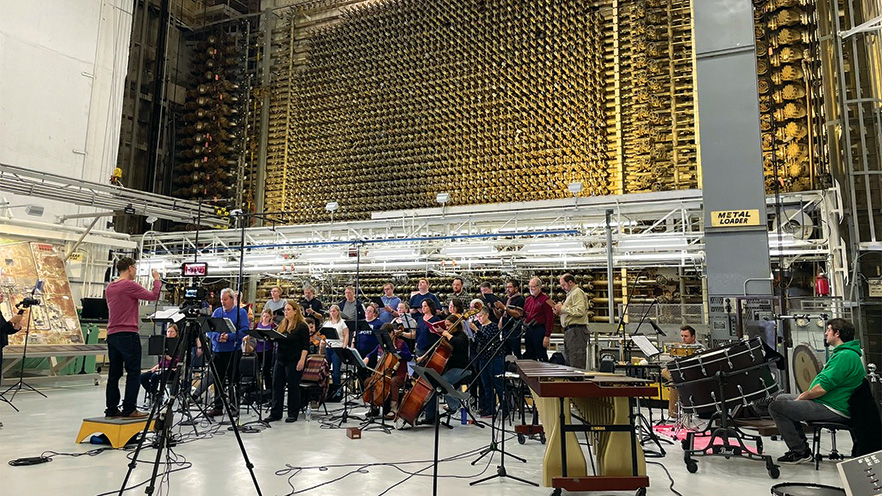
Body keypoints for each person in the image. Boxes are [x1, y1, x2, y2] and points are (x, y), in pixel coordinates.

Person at [769, 318, 865, 464]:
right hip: (827, 401)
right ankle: (800, 447)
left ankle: (799, 452)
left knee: (776, 407)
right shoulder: (844, 354)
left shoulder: (845, 356)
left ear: (837, 333)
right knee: (782, 399)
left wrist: (802, 397)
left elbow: (821, 388)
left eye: (828, 330)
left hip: (833, 407)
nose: (826, 333)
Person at [104, 257, 161, 418]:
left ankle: (111, 408)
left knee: (114, 374)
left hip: (112, 334)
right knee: (134, 372)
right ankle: (129, 409)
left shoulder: (110, 287)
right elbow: (153, 296)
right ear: (129, 268)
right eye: (135, 268)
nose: (136, 272)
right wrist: (157, 280)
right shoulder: (128, 285)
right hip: (128, 334)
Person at [206, 287, 250, 417]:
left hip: (232, 350)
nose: (223, 302)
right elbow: (208, 329)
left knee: (233, 379)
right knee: (217, 379)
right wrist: (215, 337)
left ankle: (233, 405)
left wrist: (230, 337)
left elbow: (245, 330)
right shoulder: (217, 312)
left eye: (225, 299)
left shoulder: (240, 313)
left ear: (232, 299)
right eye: (221, 300)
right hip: (217, 350)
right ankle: (218, 406)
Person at [421, 314, 471, 425]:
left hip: (462, 368)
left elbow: (459, 344)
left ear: (456, 325)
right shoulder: (450, 335)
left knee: (442, 382)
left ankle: (454, 404)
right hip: (451, 367)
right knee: (433, 382)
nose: (447, 328)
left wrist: (447, 334)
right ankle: (431, 415)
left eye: (449, 326)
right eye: (446, 326)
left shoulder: (461, 336)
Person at [268, 301, 309, 423]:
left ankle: (292, 413)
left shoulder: (302, 326)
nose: (285, 312)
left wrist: (302, 360)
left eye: (288, 310)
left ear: (295, 311)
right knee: (277, 386)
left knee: (293, 387)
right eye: (285, 310)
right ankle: (275, 413)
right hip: (280, 359)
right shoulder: (282, 325)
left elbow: (305, 346)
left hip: (294, 360)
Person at [362, 323, 412, 419]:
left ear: (392, 333)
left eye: (386, 335)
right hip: (383, 373)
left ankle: (394, 409)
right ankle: (374, 407)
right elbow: (371, 353)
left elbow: (409, 357)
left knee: (393, 382)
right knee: (368, 381)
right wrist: (366, 358)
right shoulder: (382, 345)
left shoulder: (401, 343)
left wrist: (397, 351)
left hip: (399, 374)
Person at [661, 325, 704, 417]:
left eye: (686, 336)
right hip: (681, 372)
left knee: (674, 384)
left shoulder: (700, 348)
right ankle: (674, 379)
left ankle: (673, 413)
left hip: (693, 374)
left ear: (693, 337)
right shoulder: (680, 347)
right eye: (682, 336)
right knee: (664, 371)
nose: (683, 339)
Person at [471, 306, 504, 416]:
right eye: (477, 316)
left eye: (480, 316)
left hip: (493, 358)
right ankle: (489, 408)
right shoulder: (481, 327)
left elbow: (487, 340)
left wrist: (476, 330)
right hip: (483, 358)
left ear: (486, 315)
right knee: (486, 385)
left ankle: (505, 409)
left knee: (498, 384)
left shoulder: (492, 326)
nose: (478, 318)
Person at [553, 273, 590, 369]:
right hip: (570, 331)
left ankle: (577, 382)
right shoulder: (570, 295)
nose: (562, 288)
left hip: (576, 331)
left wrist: (563, 308)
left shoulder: (577, 293)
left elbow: (580, 311)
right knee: (570, 360)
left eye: (564, 285)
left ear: (570, 282)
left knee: (576, 360)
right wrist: (559, 312)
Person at [139, 324, 180, 398]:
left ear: (176, 333)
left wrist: (169, 358)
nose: (169, 333)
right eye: (168, 331)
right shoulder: (164, 343)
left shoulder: (179, 344)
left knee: (155, 377)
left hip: (172, 370)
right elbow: (161, 362)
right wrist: (157, 366)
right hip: (162, 369)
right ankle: (154, 393)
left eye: (171, 332)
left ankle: (155, 395)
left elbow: (179, 360)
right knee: (142, 377)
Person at [244, 308, 276, 394]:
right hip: (258, 349)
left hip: (268, 349)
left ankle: (268, 389)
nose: (265, 318)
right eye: (264, 316)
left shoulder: (272, 325)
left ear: (270, 317)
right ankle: (257, 388)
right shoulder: (258, 324)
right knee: (257, 369)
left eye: (267, 316)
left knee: (266, 369)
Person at [523, 277, 555, 361]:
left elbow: (550, 318)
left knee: (540, 353)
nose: (531, 289)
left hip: (539, 330)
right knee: (529, 353)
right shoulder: (528, 300)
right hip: (529, 329)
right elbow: (525, 314)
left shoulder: (546, 300)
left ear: (539, 287)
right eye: (530, 287)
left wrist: (547, 335)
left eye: (533, 287)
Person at [496, 279, 525, 359]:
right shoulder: (506, 299)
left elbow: (517, 314)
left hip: (514, 329)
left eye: (510, 287)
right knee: (506, 352)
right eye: (507, 287)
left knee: (516, 352)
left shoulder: (520, 299)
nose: (507, 289)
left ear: (516, 288)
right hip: (505, 329)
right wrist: (494, 308)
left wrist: (505, 308)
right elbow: (500, 315)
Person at [323, 304, 349, 392]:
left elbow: (346, 335)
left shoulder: (342, 322)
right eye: (331, 311)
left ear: (338, 312)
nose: (332, 313)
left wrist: (344, 346)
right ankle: (326, 389)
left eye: (334, 311)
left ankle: (337, 391)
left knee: (336, 370)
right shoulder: (327, 323)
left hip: (338, 347)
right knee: (325, 369)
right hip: (328, 347)